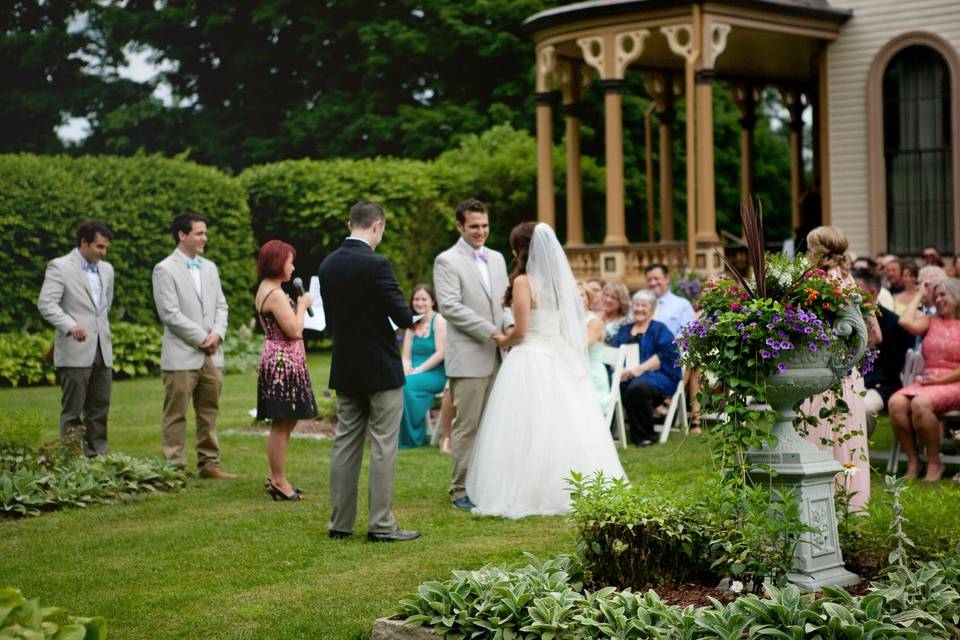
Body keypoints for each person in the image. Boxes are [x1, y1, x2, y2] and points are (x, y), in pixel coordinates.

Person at [465, 222, 626, 518]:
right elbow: (566, 325)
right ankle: (571, 485)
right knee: (564, 424)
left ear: (520, 250)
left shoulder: (524, 281)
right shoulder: (556, 281)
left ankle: (527, 489)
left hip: (530, 355)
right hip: (557, 353)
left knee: (527, 427)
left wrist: (503, 338)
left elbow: (523, 330)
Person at [319, 201, 420, 542]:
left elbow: (332, 320)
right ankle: (380, 524)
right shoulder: (377, 264)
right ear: (376, 225)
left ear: (351, 224)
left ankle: (340, 523)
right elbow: (404, 316)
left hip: (345, 365)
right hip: (380, 365)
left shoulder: (328, 265)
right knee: (383, 445)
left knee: (345, 442)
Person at [433, 198, 512, 510]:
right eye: (474, 226)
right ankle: (460, 489)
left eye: (485, 225)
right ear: (460, 226)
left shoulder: (497, 259)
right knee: (468, 425)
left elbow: (504, 302)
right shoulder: (447, 261)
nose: (481, 231)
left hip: (501, 355)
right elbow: (451, 307)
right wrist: (492, 332)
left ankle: (488, 483)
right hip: (468, 357)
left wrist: (512, 329)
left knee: (496, 423)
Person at [152, 213, 236, 479]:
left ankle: (209, 464)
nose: (204, 238)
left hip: (212, 354)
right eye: (199, 233)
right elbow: (169, 313)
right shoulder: (164, 269)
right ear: (182, 235)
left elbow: (222, 305)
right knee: (175, 414)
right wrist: (203, 337)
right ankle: (174, 466)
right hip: (182, 355)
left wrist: (217, 335)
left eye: (204, 233)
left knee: (209, 412)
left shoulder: (210, 267)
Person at [802, 226, 872, 511]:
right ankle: (850, 502)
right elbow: (872, 333)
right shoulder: (849, 279)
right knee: (847, 436)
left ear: (817, 250)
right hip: (849, 372)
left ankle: (822, 501)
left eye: (808, 247)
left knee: (822, 432)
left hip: (824, 369)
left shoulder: (819, 283)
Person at [37, 221, 115, 457]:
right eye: (99, 247)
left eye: (106, 248)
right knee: (72, 412)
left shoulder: (107, 269)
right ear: (83, 242)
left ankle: (98, 457)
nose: (103, 253)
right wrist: (70, 325)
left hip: (103, 348)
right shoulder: (59, 266)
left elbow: (104, 307)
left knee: (100, 408)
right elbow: (46, 304)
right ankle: (73, 460)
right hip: (74, 349)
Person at [254, 240, 317, 501]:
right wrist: (302, 306)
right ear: (278, 262)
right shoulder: (276, 294)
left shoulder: (268, 288)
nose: (293, 267)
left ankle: (275, 475)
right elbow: (294, 330)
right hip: (282, 363)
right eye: (290, 261)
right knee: (282, 421)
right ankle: (278, 480)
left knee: (287, 419)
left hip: (281, 359)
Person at [889, 278, 960, 482]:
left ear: (956, 296)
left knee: (920, 403)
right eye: (936, 295)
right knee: (896, 403)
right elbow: (905, 322)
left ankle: (935, 461)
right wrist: (920, 294)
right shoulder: (931, 321)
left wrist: (938, 382)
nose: (938, 299)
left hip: (953, 381)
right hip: (928, 381)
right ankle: (914, 461)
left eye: (943, 294)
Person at [611, 290, 682, 446]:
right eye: (636, 305)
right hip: (625, 376)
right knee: (605, 382)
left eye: (644, 305)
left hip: (657, 376)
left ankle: (645, 437)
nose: (639, 308)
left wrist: (638, 370)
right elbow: (613, 353)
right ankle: (606, 431)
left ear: (652, 310)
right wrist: (619, 370)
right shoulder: (624, 330)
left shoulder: (659, 329)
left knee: (638, 388)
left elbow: (664, 355)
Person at [851, 268, 912, 437]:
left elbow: (893, 368)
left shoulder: (893, 323)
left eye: (856, 289)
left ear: (872, 293)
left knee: (864, 407)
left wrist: (863, 382)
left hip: (881, 385)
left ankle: (858, 454)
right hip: (851, 381)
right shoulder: (846, 318)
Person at [399, 284, 447, 449]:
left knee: (406, 385)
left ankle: (413, 439)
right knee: (398, 382)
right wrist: (407, 369)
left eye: (424, 299)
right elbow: (406, 356)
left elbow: (441, 353)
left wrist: (419, 370)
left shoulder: (439, 320)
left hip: (435, 373)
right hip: (414, 372)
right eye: (416, 299)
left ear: (432, 301)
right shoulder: (412, 324)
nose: (420, 303)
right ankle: (400, 435)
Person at [578, 281, 610, 408]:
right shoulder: (565, 322)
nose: (577, 298)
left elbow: (582, 347)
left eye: (581, 295)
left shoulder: (594, 322)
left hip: (591, 374)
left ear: (588, 299)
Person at [644, 263, 695, 336]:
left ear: (666, 279)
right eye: (649, 280)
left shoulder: (682, 305)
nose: (652, 283)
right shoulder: (640, 307)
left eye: (656, 278)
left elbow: (688, 335)